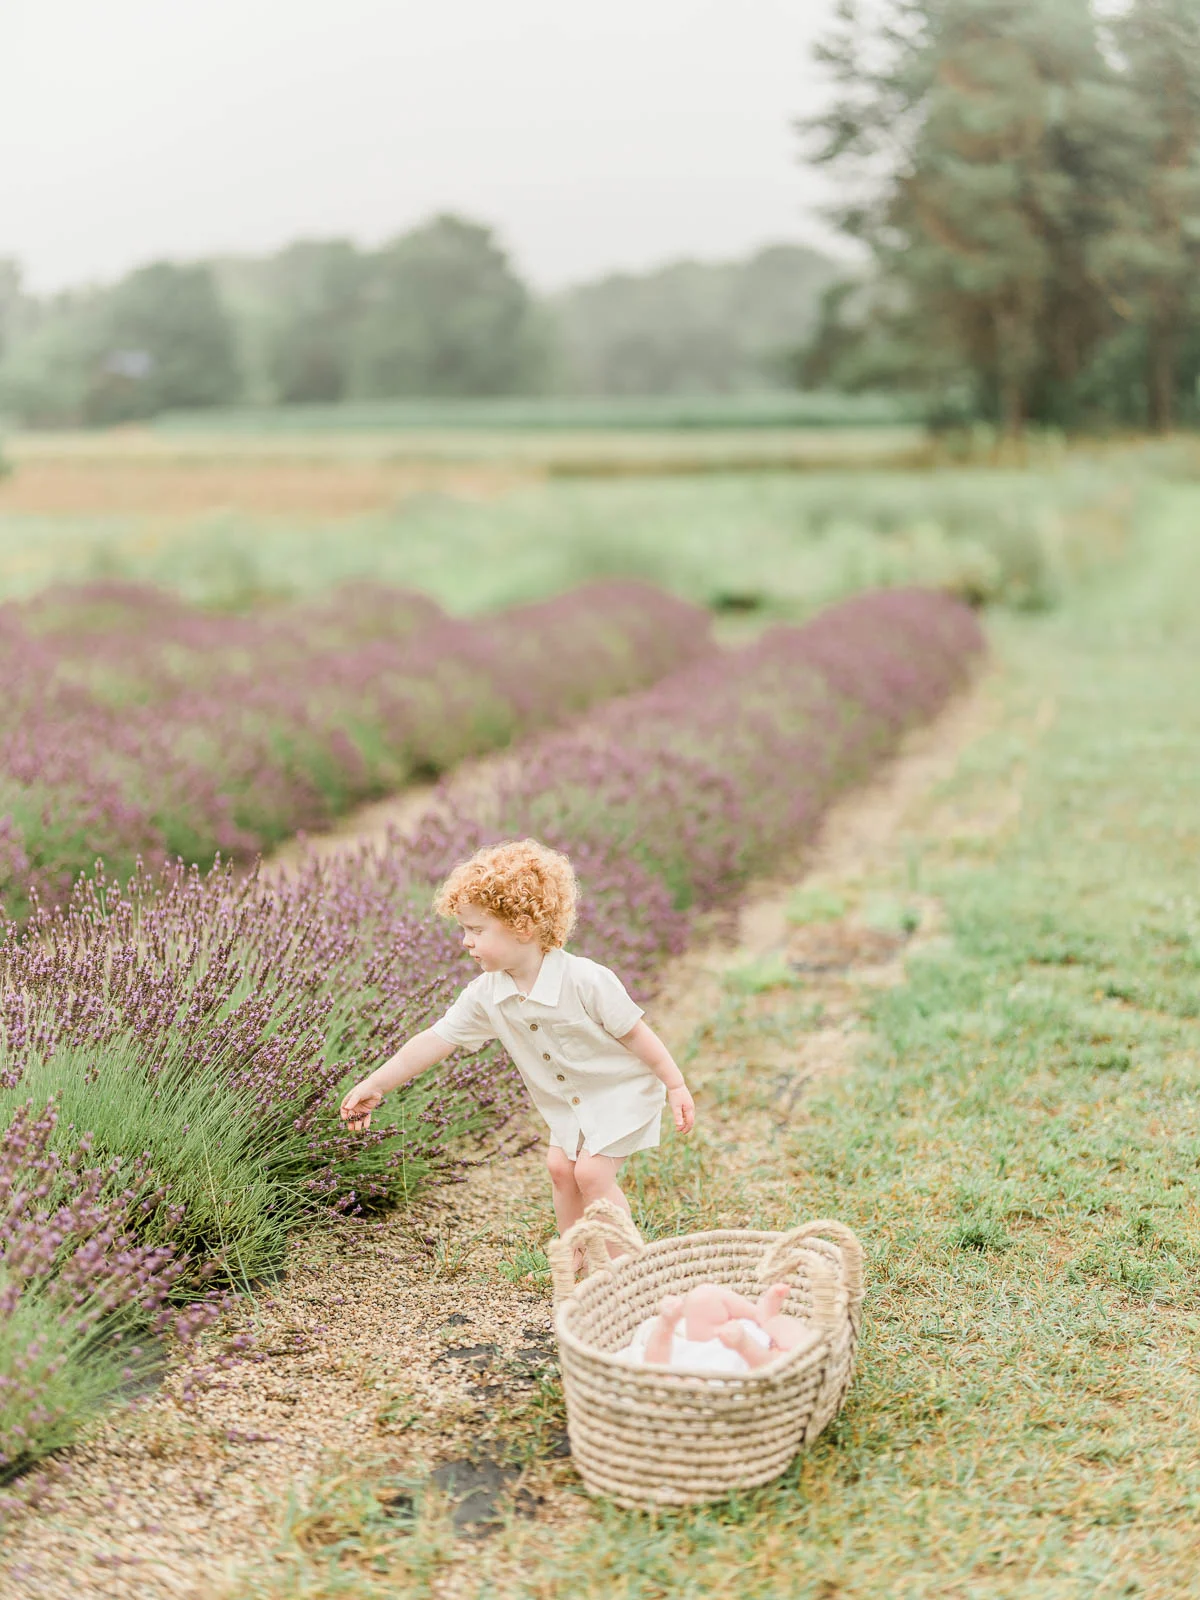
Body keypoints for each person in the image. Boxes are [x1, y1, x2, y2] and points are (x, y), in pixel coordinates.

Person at [339, 838, 696, 1238]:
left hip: (618, 1092)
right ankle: (574, 1262)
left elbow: (635, 1033)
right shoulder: (487, 993)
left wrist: (675, 1084)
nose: (465, 941)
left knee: (593, 1174)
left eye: (476, 929)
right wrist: (376, 1083)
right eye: (463, 929)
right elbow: (436, 1040)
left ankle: (627, 1273)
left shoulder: (585, 980)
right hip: (570, 1105)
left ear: (522, 928)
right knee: (561, 1170)